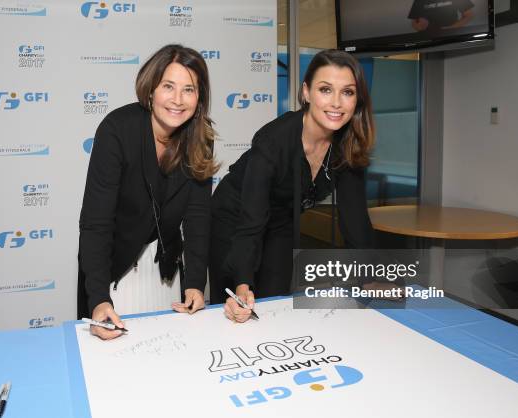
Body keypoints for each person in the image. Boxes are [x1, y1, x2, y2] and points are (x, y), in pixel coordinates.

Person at [210, 49, 393, 323]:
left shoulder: (349, 144)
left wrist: (369, 277)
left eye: (347, 92)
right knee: (238, 309)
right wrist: (242, 284)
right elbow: (251, 222)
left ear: (357, 100)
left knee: (277, 301)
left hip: (281, 219)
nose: (336, 103)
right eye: (325, 89)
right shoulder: (273, 141)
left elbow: (355, 217)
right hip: (235, 217)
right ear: (306, 93)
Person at [77, 44, 218, 339]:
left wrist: (195, 282)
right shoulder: (117, 129)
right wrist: (99, 299)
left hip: (163, 268)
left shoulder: (200, 139)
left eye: (189, 89)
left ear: (199, 97)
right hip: (112, 269)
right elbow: (96, 222)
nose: (177, 100)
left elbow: (198, 218)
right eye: (169, 86)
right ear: (151, 88)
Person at [408, 0, 475, 33]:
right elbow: (414, 22)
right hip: (429, 36)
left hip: (451, 34)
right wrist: (420, 27)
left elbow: (469, 15)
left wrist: (450, 29)